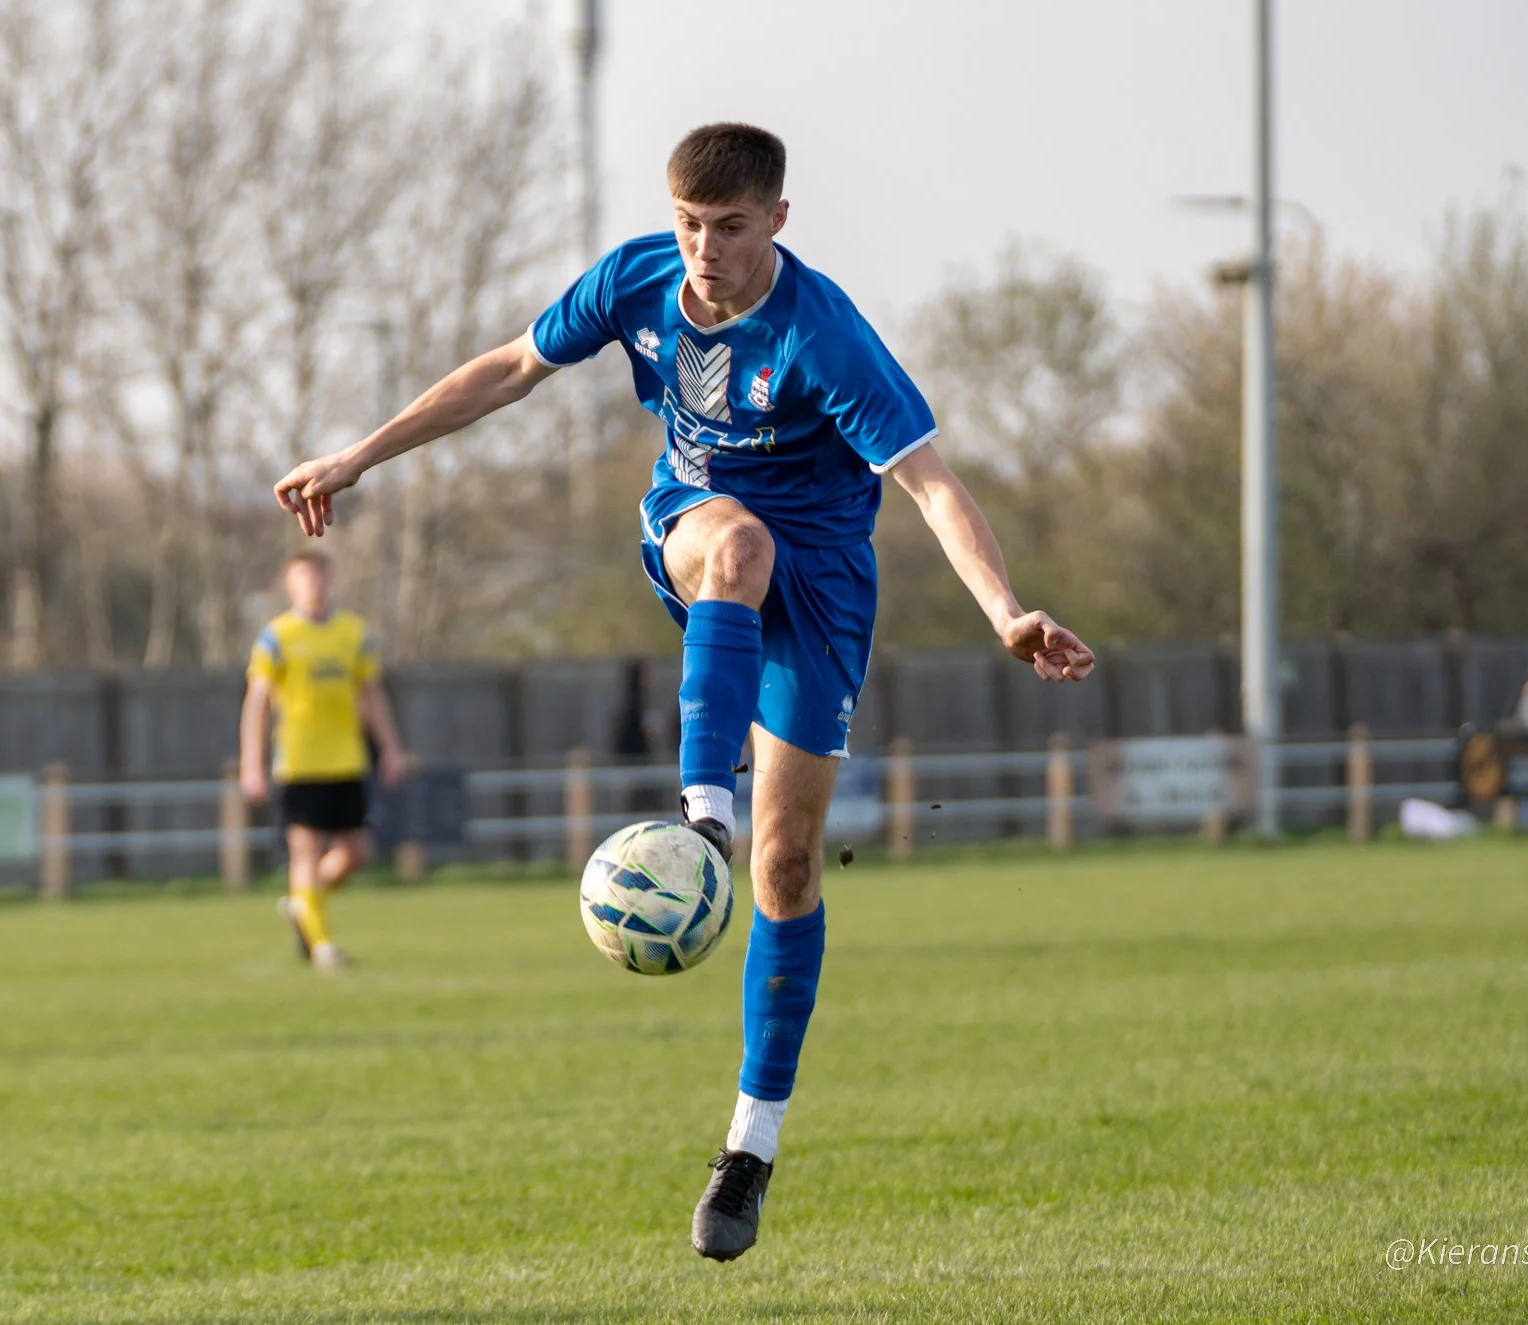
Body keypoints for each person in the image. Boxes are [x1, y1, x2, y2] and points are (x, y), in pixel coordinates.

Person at [274, 124, 1094, 1259]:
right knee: (738, 547)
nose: (704, 249)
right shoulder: (637, 280)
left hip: (826, 581)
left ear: (777, 221)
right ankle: (701, 809)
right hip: (702, 528)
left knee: (788, 866)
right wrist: (357, 457)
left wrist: (1004, 610)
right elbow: (508, 368)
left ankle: (749, 1147)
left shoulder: (823, 335)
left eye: (730, 227)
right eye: (688, 224)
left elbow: (929, 483)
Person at [238, 550, 408, 970]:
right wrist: (251, 761)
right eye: (303, 576)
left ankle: (302, 905)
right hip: (298, 762)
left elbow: (371, 693)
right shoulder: (277, 636)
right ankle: (322, 946)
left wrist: (390, 747)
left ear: (330, 579)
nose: (313, 582)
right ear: (289, 585)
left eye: (318, 574)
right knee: (306, 850)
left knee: (356, 853)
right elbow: (257, 701)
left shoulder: (352, 632)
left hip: (346, 759)